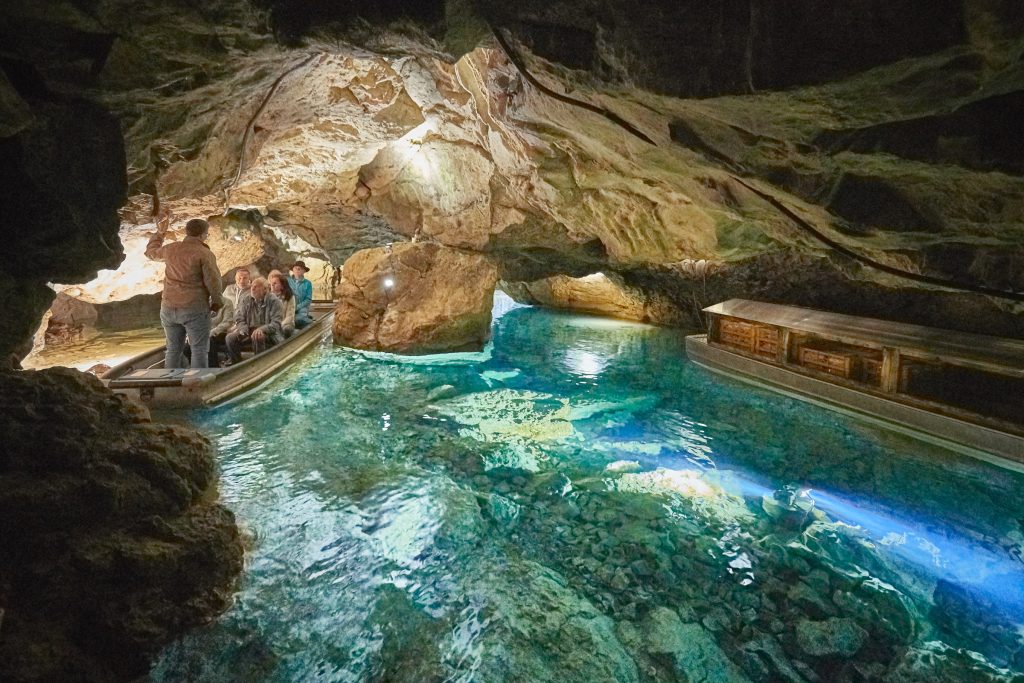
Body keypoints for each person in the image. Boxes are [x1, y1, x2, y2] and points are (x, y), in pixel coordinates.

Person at [145, 213, 223, 369]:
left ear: (186, 232)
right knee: (199, 350)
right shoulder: (204, 254)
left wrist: (160, 233)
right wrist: (216, 303)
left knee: (173, 350)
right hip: (194, 308)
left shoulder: (171, 249)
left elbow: (151, 253)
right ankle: (196, 386)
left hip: (168, 308)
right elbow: (213, 282)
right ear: (203, 235)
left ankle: (168, 384)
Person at [225, 277, 283, 364]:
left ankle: (259, 364)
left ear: (265, 289)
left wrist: (261, 329)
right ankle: (236, 363)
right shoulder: (247, 299)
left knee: (257, 336)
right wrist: (243, 329)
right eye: (252, 286)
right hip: (248, 330)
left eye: (256, 286)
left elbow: (276, 324)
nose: (252, 288)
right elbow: (239, 318)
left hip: (269, 334)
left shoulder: (274, 301)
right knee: (230, 337)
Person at [208, 268, 251, 365]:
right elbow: (221, 307)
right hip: (226, 322)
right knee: (212, 337)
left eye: (245, 278)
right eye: (239, 278)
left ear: (249, 279)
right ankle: (212, 365)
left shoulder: (252, 291)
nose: (242, 281)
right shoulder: (228, 289)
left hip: (241, 323)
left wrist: (238, 325)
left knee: (230, 336)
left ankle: (235, 361)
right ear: (235, 278)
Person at [268, 270, 296, 337]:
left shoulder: (290, 297)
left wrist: (279, 325)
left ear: (282, 286)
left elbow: (290, 316)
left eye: (275, 283)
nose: (272, 285)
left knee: (286, 329)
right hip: (271, 324)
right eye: (271, 283)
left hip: (286, 323)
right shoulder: (268, 297)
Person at [288, 261, 314, 328]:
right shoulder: (288, 281)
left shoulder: (308, 283)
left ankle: (307, 320)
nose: (297, 270)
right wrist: (291, 307)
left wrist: (297, 307)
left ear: (304, 271)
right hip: (289, 307)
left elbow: (308, 299)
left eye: (299, 269)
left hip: (302, 308)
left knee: (298, 319)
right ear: (293, 270)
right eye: (295, 268)